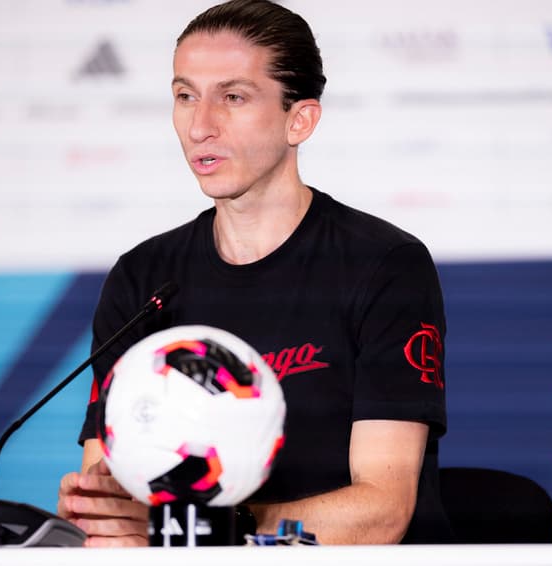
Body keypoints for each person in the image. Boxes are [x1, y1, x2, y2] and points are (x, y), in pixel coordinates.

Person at [57, 0, 450, 546]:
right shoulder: (142, 279)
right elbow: (110, 497)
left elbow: (382, 512)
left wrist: (210, 530)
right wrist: (98, 512)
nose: (199, 126)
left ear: (300, 119)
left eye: (233, 97)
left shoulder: (384, 266)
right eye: (185, 96)